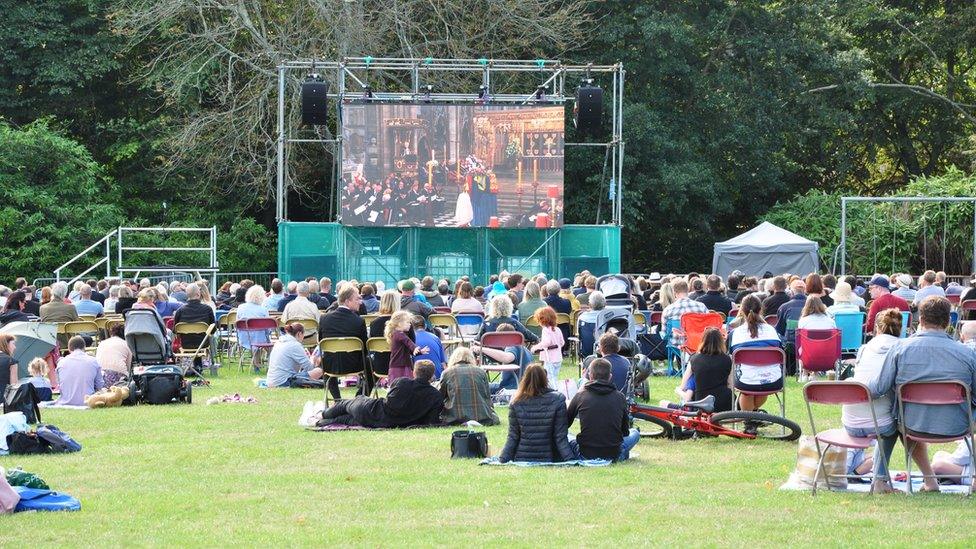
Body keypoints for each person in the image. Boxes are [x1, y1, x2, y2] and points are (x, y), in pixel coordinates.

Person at [870, 297, 973, 493]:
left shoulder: (899, 348)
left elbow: (879, 388)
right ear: (948, 321)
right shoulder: (967, 354)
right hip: (958, 423)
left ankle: (885, 479)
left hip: (911, 423)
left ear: (921, 320)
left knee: (890, 419)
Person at [840, 309, 927, 490]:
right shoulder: (903, 348)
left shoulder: (864, 349)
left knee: (888, 420)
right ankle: (880, 479)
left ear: (877, 329)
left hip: (850, 419)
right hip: (880, 421)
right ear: (901, 329)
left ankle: (881, 478)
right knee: (897, 425)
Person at [318, 361, 443, 428]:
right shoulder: (435, 396)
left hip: (373, 411)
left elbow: (389, 400)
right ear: (431, 376)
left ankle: (324, 414)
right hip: (390, 422)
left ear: (414, 373)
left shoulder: (403, 382)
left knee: (346, 404)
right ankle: (328, 421)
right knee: (349, 419)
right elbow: (431, 421)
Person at [498, 363, 575, 463]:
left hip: (522, 457)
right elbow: (560, 436)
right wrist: (570, 459)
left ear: (525, 379)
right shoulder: (558, 399)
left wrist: (502, 459)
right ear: (545, 378)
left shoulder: (515, 402)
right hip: (551, 457)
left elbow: (513, 436)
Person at [567, 358, 640, 461]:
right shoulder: (620, 397)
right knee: (635, 433)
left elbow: (565, 424)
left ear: (590, 376)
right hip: (614, 452)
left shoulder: (580, 396)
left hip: (585, 453)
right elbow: (625, 431)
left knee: (567, 436)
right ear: (610, 377)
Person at [729, 295, 782, 414]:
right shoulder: (772, 331)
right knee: (757, 386)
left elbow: (731, 356)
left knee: (748, 389)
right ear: (760, 310)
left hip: (746, 381)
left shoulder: (736, 333)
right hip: (772, 380)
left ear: (741, 311)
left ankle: (749, 418)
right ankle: (752, 414)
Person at [318, 285, 371, 400]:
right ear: (347, 301)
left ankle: (337, 399)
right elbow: (365, 349)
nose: (360, 302)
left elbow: (320, 342)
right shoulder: (359, 321)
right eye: (357, 299)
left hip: (330, 364)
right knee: (371, 364)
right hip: (354, 364)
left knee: (324, 360)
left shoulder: (324, 319)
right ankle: (359, 399)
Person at [438, 347, 499, 425]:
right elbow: (487, 397)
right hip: (481, 416)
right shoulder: (481, 372)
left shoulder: (447, 373)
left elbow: (441, 396)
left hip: (454, 417)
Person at [470, 323, 533, 393]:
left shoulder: (512, 346)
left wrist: (482, 349)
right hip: (522, 387)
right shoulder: (525, 350)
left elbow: (507, 357)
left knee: (477, 386)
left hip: (511, 388)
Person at [687, 327, 734, 412]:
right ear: (721, 341)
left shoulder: (694, 359)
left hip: (701, 403)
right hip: (724, 403)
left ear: (703, 341)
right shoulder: (728, 359)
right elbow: (731, 384)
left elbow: (684, 384)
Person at [266, 323, 324, 388]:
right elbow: (309, 368)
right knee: (319, 371)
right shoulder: (295, 345)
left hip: (271, 381)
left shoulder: (278, 342)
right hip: (284, 381)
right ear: (299, 334)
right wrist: (312, 359)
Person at [56, 336, 105, 406]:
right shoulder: (93, 361)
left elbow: (60, 384)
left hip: (65, 401)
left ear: (69, 348)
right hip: (88, 401)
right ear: (84, 347)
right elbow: (100, 385)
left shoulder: (61, 362)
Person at [661, 279, 708, 349]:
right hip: (698, 345)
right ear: (688, 290)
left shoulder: (668, 310)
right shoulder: (701, 306)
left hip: (677, 346)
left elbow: (665, 334)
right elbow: (708, 327)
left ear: (674, 292)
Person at [234, 284, 271, 372]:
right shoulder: (263, 310)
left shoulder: (240, 308)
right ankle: (267, 365)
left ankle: (256, 365)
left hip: (244, 338)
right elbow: (268, 328)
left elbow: (237, 324)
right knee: (266, 343)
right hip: (259, 340)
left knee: (257, 338)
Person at [386, 310, 427, 382]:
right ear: (399, 323)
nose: (410, 324)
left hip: (403, 364)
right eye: (408, 322)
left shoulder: (399, 334)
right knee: (402, 385)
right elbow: (408, 342)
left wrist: (419, 351)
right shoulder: (399, 334)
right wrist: (415, 348)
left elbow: (408, 346)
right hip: (399, 366)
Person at [530, 306, 564, 389]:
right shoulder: (557, 329)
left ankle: (553, 390)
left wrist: (535, 347)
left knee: (549, 377)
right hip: (558, 358)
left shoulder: (545, 330)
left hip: (550, 358)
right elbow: (562, 342)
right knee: (554, 376)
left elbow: (546, 342)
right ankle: (555, 388)